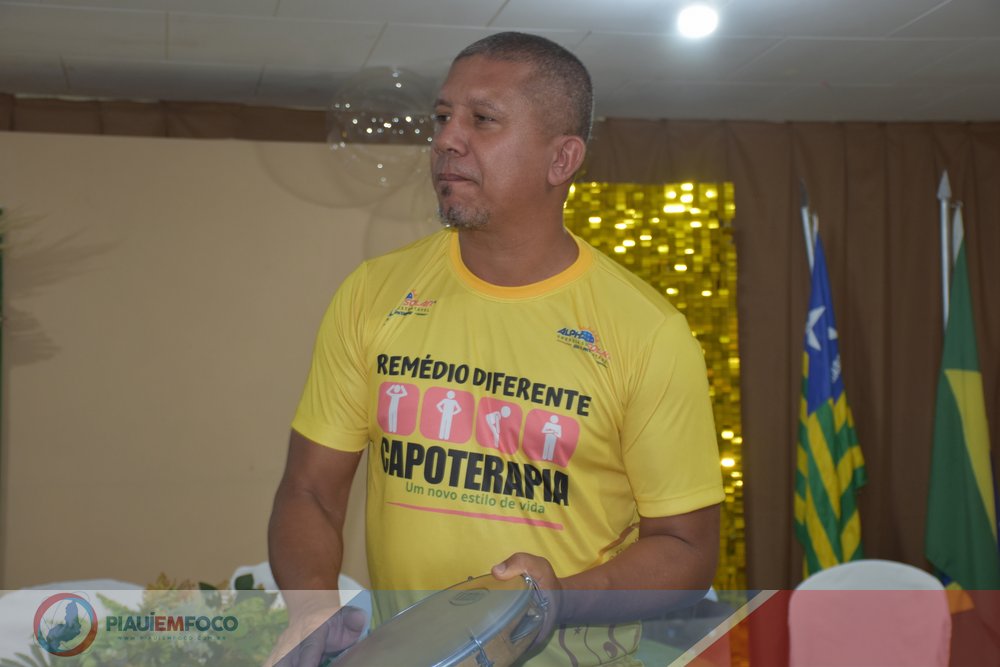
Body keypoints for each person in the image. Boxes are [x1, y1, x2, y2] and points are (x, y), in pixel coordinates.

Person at [266, 31, 723, 667]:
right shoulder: (373, 294)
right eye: (442, 117)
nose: (447, 140)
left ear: (561, 160)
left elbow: (687, 549)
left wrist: (557, 597)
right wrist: (312, 606)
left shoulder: (646, 331)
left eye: (482, 120)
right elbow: (310, 490)